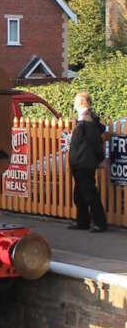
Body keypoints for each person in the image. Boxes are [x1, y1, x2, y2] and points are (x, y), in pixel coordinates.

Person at [67, 91, 108, 233]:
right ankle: (83, 222)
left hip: (84, 162)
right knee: (79, 194)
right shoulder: (84, 118)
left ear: (82, 102)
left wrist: (100, 159)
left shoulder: (87, 119)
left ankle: (100, 223)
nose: (73, 103)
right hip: (80, 162)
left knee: (90, 194)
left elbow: (95, 142)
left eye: (75, 100)